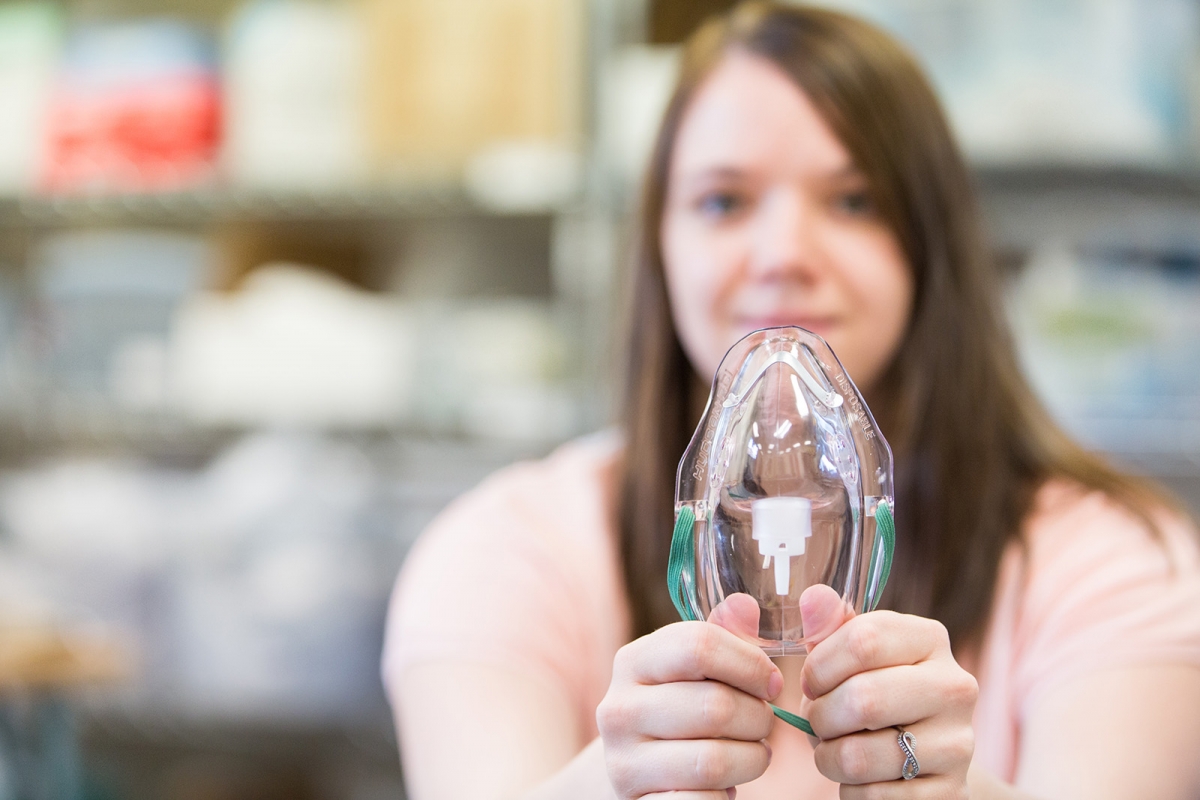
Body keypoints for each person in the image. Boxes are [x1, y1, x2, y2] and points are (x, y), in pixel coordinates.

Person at [382, 3, 1200, 799]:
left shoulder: (1116, 564)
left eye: (852, 200)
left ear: (930, 243)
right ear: (658, 247)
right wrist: (611, 780)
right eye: (723, 201)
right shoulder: (509, 555)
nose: (783, 255)